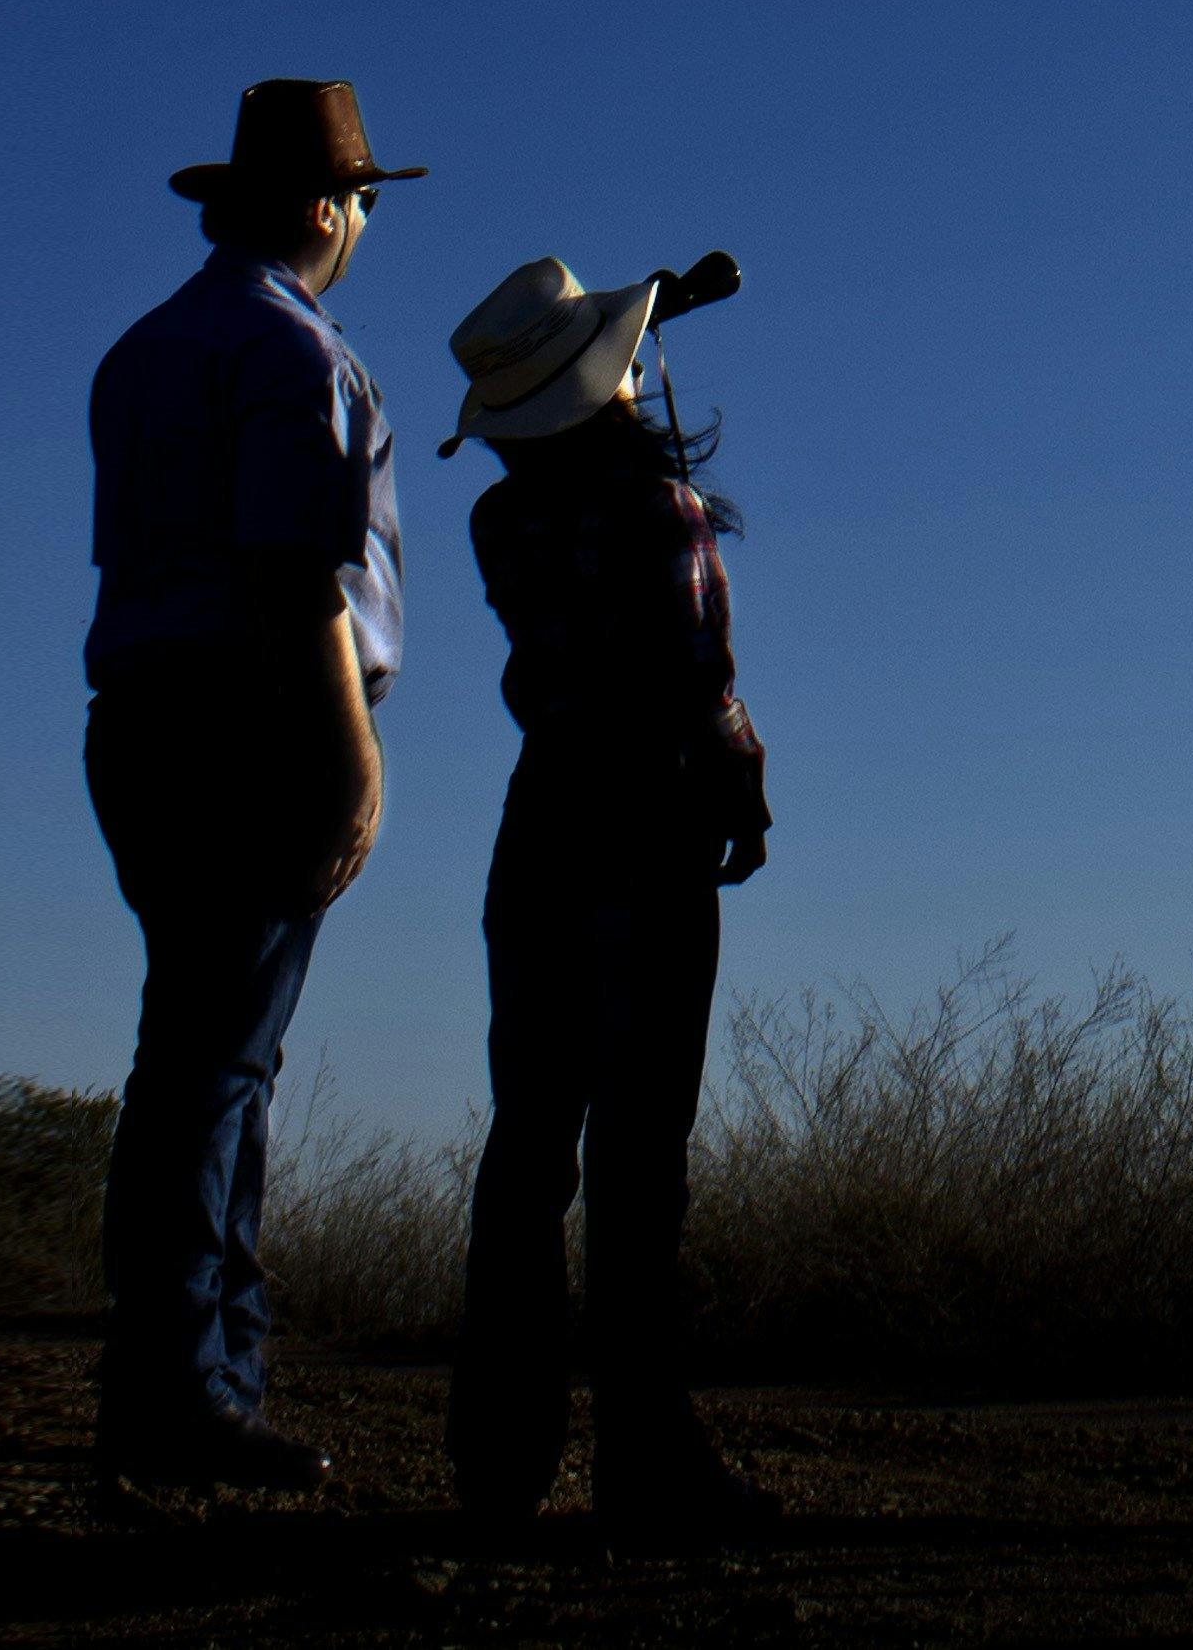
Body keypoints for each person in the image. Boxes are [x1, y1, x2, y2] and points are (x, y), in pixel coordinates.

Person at [80, 77, 422, 1486]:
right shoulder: (296, 358)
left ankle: (187, 1377)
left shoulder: (146, 348)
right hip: (253, 721)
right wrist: (350, 757)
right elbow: (298, 574)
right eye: (358, 206)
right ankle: (189, 1394)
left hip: (142, 719)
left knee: (196, 1055)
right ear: (330, 210)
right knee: (217, 1067)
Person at [442, 245, 767, 1543]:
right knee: (638, 1155)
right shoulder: (656, 511)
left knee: (528, 1142)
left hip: (541, 821)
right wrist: (738, 782)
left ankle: (499, 1456)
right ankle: (645, 1456)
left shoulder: (499, 520)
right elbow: (698, 687)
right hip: (648, 813)